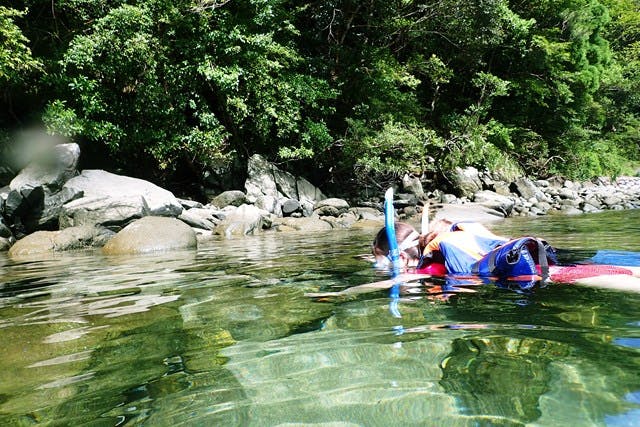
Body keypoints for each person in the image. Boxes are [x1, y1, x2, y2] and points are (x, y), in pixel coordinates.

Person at [371, 219, 640, 287]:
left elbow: (398, 280)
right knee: (625, 270)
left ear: (400, 257)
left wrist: (338, 294)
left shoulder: (429, 269)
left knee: (615, 279)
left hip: (533, 273)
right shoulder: (443, 238)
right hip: (537, 258)